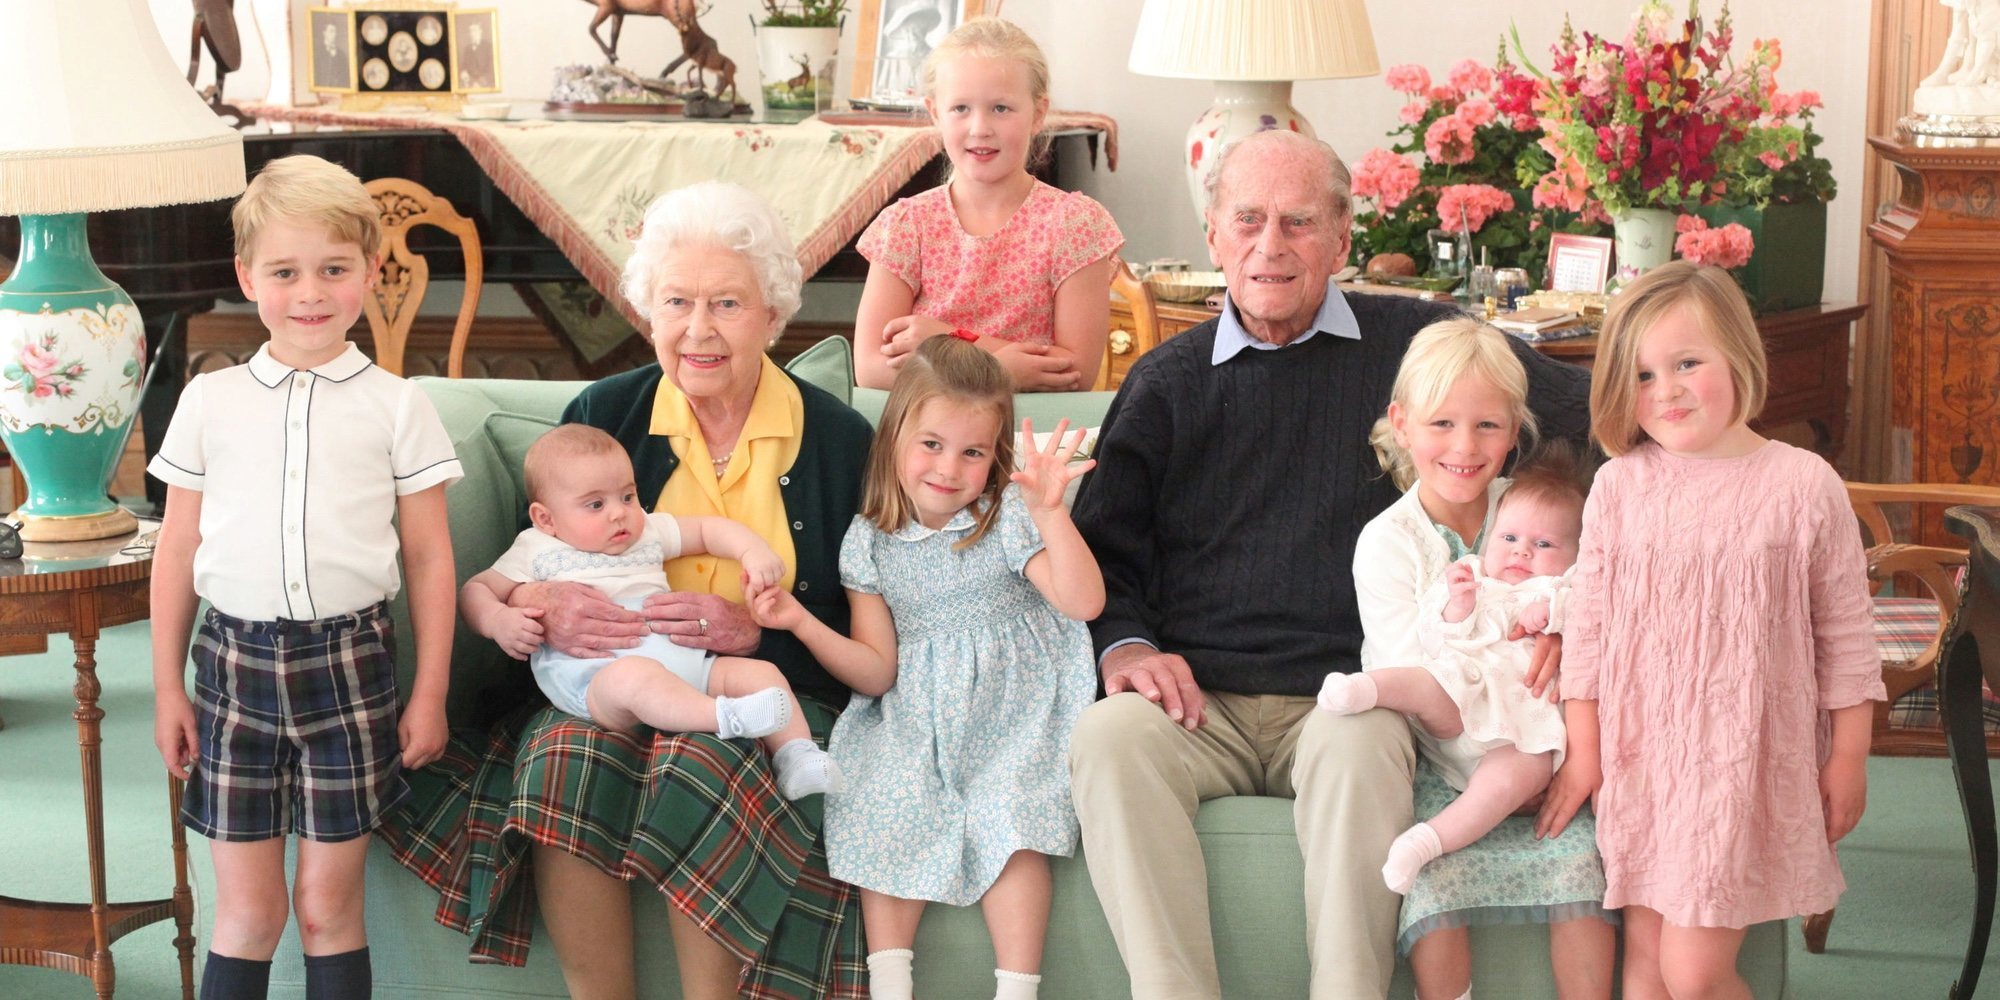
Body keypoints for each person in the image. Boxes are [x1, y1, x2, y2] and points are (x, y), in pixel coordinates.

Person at [1067, 128, 1594, 1000]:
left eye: (1299, 222)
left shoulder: (1417, 343)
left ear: (1343, 239)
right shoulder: (1166, 384)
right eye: (1247, 220)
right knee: (1107, 738)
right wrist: (1125, 645)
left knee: (1359, 747)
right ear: (1212, 236)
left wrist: (1582, 611)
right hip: (1198, 700)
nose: (1269, 245)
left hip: (1347, 695)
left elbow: (1597, 418)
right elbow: (1102, 553)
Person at [378, 181, 875, 1000]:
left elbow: (866, 616)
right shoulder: (606, 413)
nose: (699, 328)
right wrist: (544, 610)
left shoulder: (836, 439)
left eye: (727, 303)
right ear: (649, 310)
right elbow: (530, 564)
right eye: (677, 301)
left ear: (773, 315)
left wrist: (758, 634)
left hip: (769, 688)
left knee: (701, 757)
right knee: (561, 757)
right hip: (601, 683)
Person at [148, 153, 461, 1000]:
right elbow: (176, 550)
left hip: (351, 671)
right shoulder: (210, 403)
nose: (311, 293)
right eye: (285, 272)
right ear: (248, 277)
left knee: (327, 908)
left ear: (371, 269)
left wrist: (427, 690)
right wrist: (167, 688)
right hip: (231, 673)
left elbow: (430, 557)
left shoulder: (400, 405)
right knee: (248, 913)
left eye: (334, 269)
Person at [1537, 261, 1884, 998]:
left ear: (1738, 353)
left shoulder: (1801, 484)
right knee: (1643, 973)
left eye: (1687, 363)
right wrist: (1587, 755)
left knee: (1693, 976)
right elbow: (1590, 637)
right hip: (1644, 763)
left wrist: (1849, 754)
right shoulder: (1619, 486)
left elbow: (1848, 637)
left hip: (1741, 765)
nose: (1666, 390)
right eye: (1643, 375)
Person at [751, 337, 1102, 1000]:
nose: (949, 469)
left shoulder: (1005, 517)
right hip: (918, 711)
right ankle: (890, 985)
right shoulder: (870, 541)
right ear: (895, 438)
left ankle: (1017, 991)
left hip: (1015, 708)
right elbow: (877, 671)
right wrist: (800, 623)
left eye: (973, 452)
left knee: (1013, 817)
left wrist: (1051, 511)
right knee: (883, 800)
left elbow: (1082, 602)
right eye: (932, 445)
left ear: (994, 455)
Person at [1349, 319, 1615, 1000]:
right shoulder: (1388, 543)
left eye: (1488, 428)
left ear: (1515, 430)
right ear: (1402, 425)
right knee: (1433, 887)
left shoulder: (1533, 509)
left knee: (1581, 863)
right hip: (1453, 760)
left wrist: (1561, 630)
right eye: (1442, 424)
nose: (1466, 449)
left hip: (1543, 741)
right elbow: (1432, 686)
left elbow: (1595, 586)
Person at [459, 424, 841, 799]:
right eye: (596, 504)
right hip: (599, 679)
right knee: (636, 677)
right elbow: (476, 589)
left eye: (627, 496)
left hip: (686, 662)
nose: (619, 514)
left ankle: (798, 756)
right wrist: (498, 620)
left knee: (761, 673)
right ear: (546, 519)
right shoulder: (537, 548)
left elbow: (709, 530)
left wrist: (752, 551)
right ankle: (724, 717)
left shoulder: (647, 533)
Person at [1325, 443, 1589, 895]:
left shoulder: (1565, 586)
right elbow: (1434, 636)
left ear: (1575, 554)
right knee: (1427, 683)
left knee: (1518, 776)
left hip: (1522, 730)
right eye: (1509, 539)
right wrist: (1458, 606)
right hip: (1460, 697)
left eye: (1543, 545)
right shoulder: (1473, 575)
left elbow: (1593, 616)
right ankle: (1362, 690)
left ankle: (1426, 842)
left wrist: (1552, 620)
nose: (1521, 553)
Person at [853, 17, 1123, 392]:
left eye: (1000, 108)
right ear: (935, 113)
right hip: (932, 443)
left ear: (1038, 113)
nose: (980, 127)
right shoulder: (906, 225)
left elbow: (1073, 373)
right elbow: (869, 369)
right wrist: (1001, 369)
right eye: (961, 108)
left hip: (1035, 440)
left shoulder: (1075, 225)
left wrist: (948, 342)